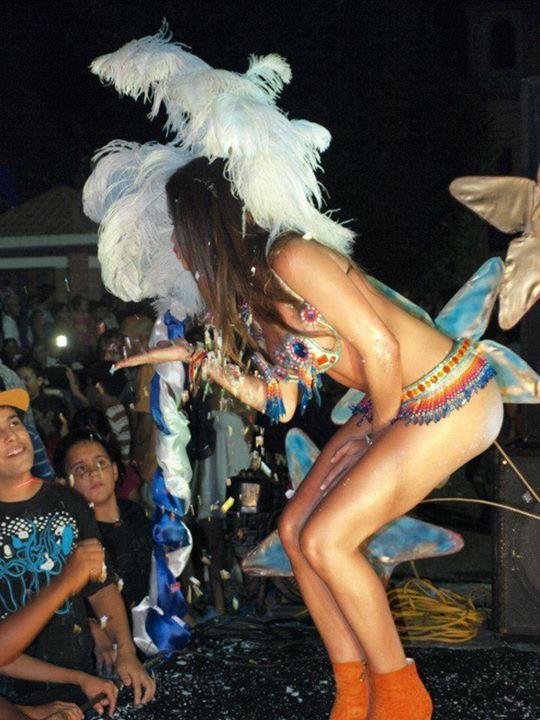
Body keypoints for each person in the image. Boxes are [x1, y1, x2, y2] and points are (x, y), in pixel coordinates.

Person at [115, 156, 504, 720]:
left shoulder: (291, 255)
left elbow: (383, 348)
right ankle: (354, 691)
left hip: (450, 392)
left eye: (178, 228)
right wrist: (199, 358)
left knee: (327, 539)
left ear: (204, 224)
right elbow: (282, 403)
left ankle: (401, 697)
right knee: (295, 532)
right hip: (392, 403)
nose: (174, 246)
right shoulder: (251, 301)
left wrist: (375, 439)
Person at [0, 386, 155, 713]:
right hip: (14, 702)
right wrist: (67, 581)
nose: (10, 435)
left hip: (83, 688)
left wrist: (126, 652)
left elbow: (101, 587)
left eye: (13, 423)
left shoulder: (67, 501)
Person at [53, 428, 153, 670]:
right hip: (108, 653)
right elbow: (59, 599)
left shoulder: (135, 513)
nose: (93, 473)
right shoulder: (68, 536)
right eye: (80, 469)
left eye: (100, 463)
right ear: (64, 484)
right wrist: (90, 626)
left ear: (115, 470)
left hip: (151, 636)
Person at [85, 362, 131, 466]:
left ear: (99, 387)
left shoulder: (111, 414)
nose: (86, 390)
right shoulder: (117, 407)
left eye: (88, 385)